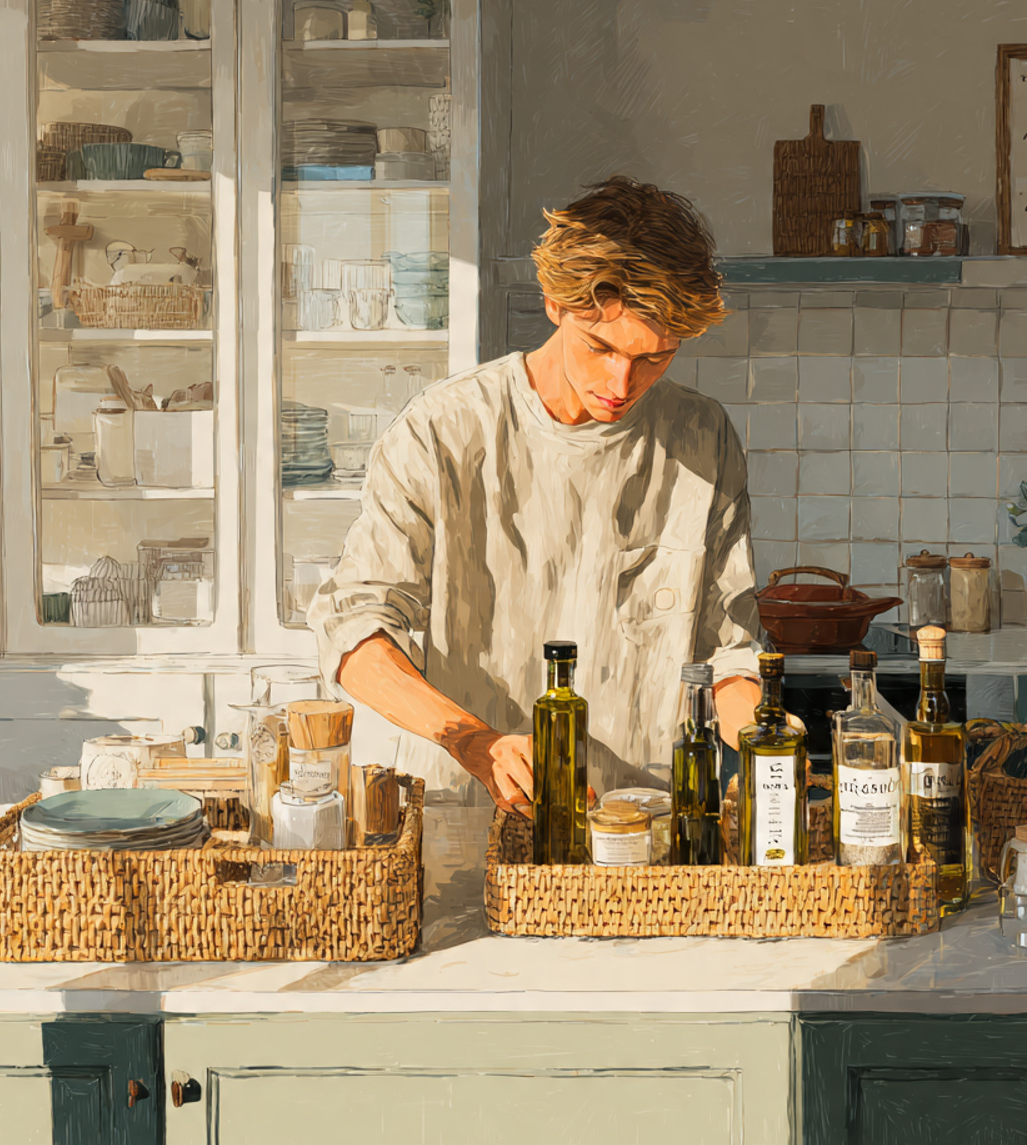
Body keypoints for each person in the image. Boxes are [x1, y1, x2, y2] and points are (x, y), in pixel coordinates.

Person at [308, 175, 763, 812]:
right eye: (600, 346)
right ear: (554, 302)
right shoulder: (444, 430)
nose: (621, 382)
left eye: (653, 358)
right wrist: (475, 742)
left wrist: (765, 750)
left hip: (639, 828)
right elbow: (355, 634)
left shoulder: (702, 436)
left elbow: (727, 653)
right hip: (467, 815)